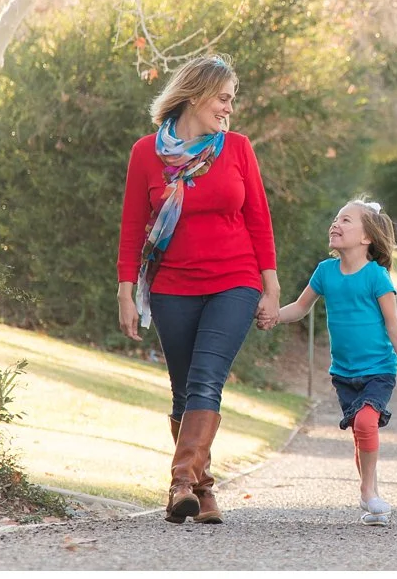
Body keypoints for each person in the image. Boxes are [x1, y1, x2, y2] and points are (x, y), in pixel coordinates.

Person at [117, 55, 282, 525]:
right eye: (223, 98)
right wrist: (125, 292)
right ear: (195, 94)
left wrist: (270, 287)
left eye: (232, 100)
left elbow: (259, 220)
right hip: (171, 285)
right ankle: (202, 491)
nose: (229, 108)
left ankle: (179, 483)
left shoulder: (238, 148)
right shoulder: (146, 153)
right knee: (183, 391)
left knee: (206, 381)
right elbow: (132, 226)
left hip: (235, 281)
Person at [270, 199, 397, 526]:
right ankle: (372, 498)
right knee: (360, 430)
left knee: (365, 423)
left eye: (346, 220)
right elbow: (300, 307)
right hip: (343, 374)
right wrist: (272, 316)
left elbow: (393, 324)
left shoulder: (376, 276)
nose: (336, 224)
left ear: (366, 237)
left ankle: (367, 490)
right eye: (336, 218)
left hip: (378, 370)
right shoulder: (325, 272)